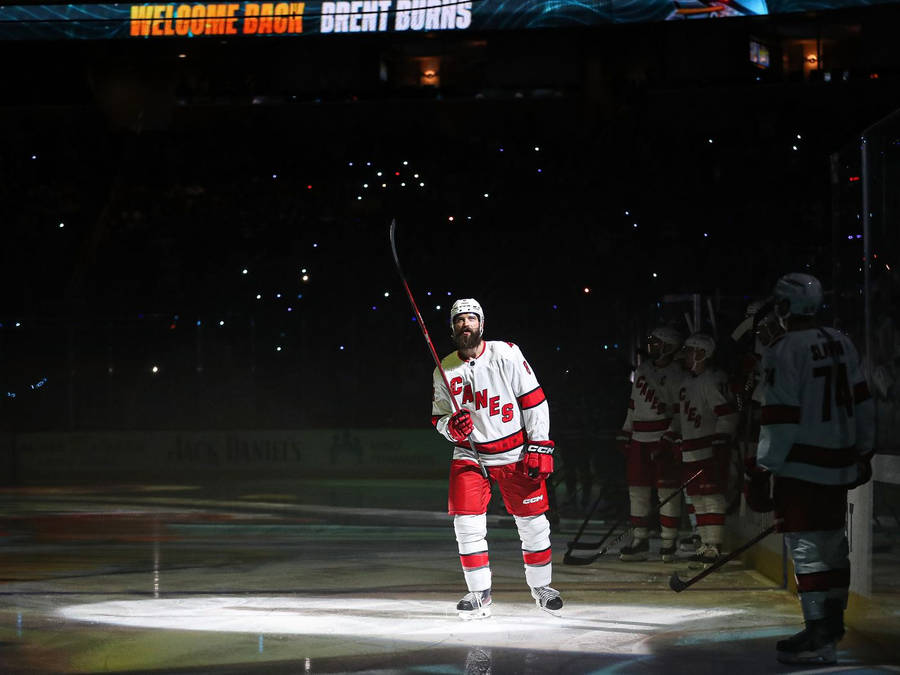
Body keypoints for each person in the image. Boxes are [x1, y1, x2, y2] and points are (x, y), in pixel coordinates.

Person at [755, 272, 875, 665]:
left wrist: (762, 467)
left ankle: (820, 634)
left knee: (807, 548)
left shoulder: (784, 348)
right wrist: (863, 450)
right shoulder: (841, 341)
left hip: (802, 467)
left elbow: (781, 416)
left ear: (787, 306)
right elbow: (861, 400)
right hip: (838, 463)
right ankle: (831, 625)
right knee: (833, 545)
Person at [431, 298, 562, 619]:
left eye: (471, 319)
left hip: (515, 452)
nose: (465, 324)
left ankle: (542, 587)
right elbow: (438, 417)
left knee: (533, 523)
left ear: (482, 324)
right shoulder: (443, 368)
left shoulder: (507, 353)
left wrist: (540, 445)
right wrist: (453, 427)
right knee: (466, 524)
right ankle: (479, 593)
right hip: (471, 454)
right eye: (459, 320)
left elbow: (534, 400)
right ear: (452, 327)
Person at [666, 333, 739, 565]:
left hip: (707, 449)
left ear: (701, 353)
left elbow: (727, 415)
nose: (685, 356)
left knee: (711, 495)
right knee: (697, 496)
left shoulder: (711, 381)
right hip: (691, 449)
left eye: (689, 351)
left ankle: (714, 544)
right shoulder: (687, 383)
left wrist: (720, 441)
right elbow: (681, 417)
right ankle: (706, 544)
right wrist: (672, 434)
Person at [616, 325, 685, 562]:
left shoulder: (678, 373)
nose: (653, 347)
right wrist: (626, 431)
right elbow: (633, 405)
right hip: (639, 438)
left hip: (661, 437)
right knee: (637, 491)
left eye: (657, 343)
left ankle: (668, 541)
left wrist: (671, 434)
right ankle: (640, 539)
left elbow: (680, 409)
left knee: (667, 490)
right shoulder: (644, 369)